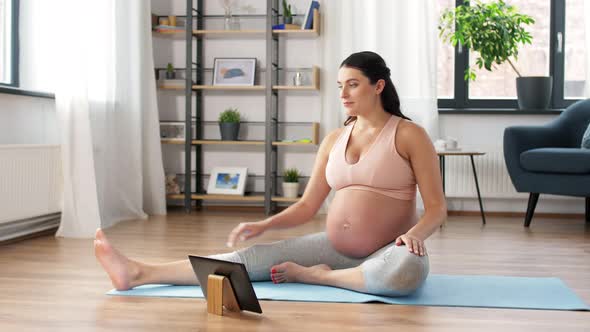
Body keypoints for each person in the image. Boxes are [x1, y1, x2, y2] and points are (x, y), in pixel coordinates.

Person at [94, 51, 447, 297]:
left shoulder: (408, 134)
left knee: (405, 273)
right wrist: (264, 225)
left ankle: (315, 277)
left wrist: (413, 237)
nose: (342, 93)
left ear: (378, 86)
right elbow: (308, 207)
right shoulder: (334, 139)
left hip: (389, 249)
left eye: (352, 84)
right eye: (340, 85)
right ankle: (139, 273)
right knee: (250, 259)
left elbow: (436, 209)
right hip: (335, 248)